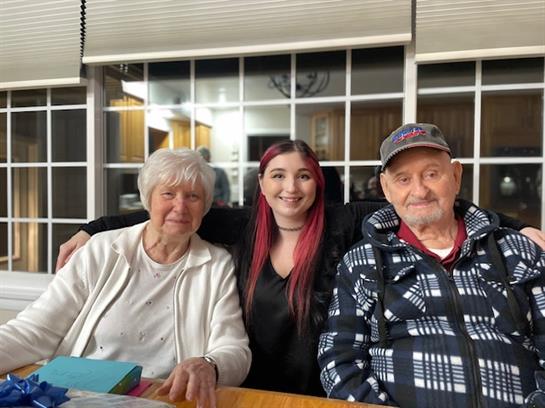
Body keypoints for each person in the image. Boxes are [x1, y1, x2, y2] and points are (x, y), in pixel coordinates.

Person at [55, 141, 545, 397]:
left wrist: (513, 226)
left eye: (304, 175)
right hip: (246, 388)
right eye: (279, 176)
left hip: (321, 392)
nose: (292, 187)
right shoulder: (243, 225)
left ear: (318, 183)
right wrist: (92, 228)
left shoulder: (345, 221)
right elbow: (169, 210)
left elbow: (422, 203)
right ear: (262, 186)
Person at [0, 148, 250, 407]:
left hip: (162, 398)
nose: (180, 206)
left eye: (193, 196)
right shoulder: (100, 249)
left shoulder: (216, 265)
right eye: (168, 193)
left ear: (206, 205)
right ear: (148, 199)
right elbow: (36, 329)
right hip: (77, 397)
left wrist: (209, 364)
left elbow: (234, 349)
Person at [318, 123, 545, 407]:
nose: (420, 190)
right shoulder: (361, 263)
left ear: (456, 175)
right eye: (403, 179)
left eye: (431, 174)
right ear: (385, 188)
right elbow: (339, 361)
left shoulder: (517, 251)